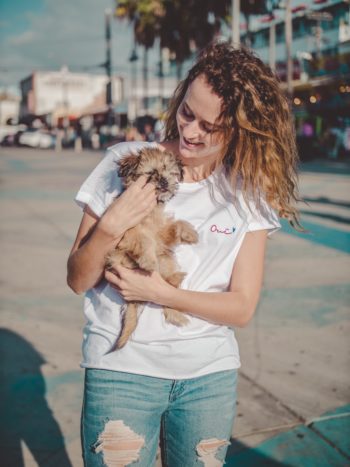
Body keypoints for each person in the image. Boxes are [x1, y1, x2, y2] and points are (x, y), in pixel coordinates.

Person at [67, 41, 300, 467]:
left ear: (241, 129)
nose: (191, 132)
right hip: (121, 370)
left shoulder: (248, 193)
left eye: (210, 126)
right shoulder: (125, 162)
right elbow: (78, 278)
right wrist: (112, 224)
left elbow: (242, 307)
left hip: (207, 378)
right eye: (187, 113)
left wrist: (160, 292)